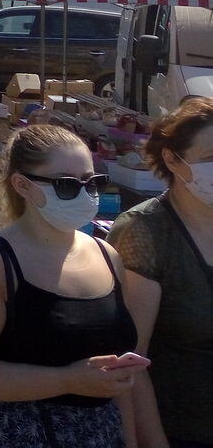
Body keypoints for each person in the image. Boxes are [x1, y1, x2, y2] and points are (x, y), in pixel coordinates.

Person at [0, 124, 144, 448]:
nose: (85, 194)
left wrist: (129, 440)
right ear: (22, 185)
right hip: (13, 436)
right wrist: (69, 380)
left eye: (92, 182)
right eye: (67, 184)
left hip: (102, 435)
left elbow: (118, 376)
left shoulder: (108, 256)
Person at [108, 97, 213, 448]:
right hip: (181, 432)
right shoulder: (145, 232)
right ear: (172, 159)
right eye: (211, 158)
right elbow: (130, 362)